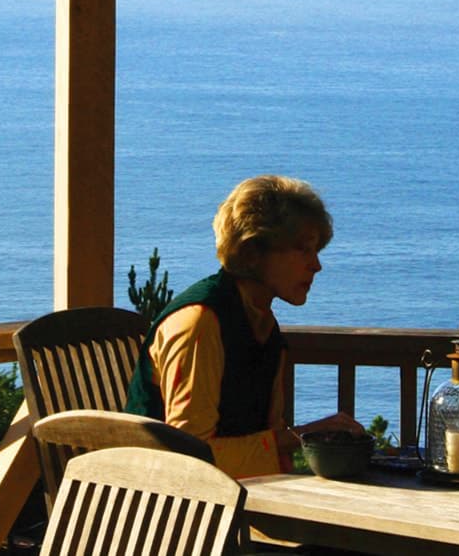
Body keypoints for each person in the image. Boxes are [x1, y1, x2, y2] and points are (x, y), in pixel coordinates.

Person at [124, 174, 365, 478]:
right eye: (303, 249)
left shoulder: (262, 324)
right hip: (163, 505)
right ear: (252, 253)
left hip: (234, 496)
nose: (316, 265)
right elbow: (188, 456)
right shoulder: (200, 324)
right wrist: (301, 436)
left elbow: (265, 439)